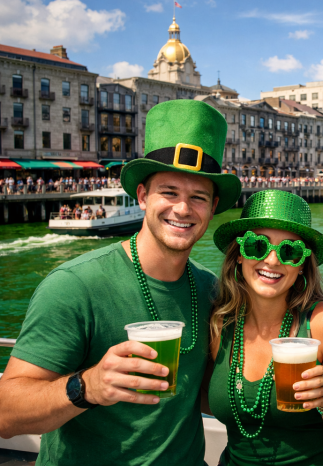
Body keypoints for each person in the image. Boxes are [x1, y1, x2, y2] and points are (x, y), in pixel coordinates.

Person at [0, 100, 243, 466]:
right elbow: (6, 415)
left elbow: (203, 393)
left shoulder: (210, 289)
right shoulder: (74, 285)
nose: (182, 209)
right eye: (170, 192)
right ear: (143, 196)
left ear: (213, 207)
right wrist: (89, 386)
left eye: (198, 197)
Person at [206, 189, 323, 465]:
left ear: (302, 264)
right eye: (258, 246)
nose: (272, 261)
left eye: (290, 251)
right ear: (239, 254)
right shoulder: (221, 323)